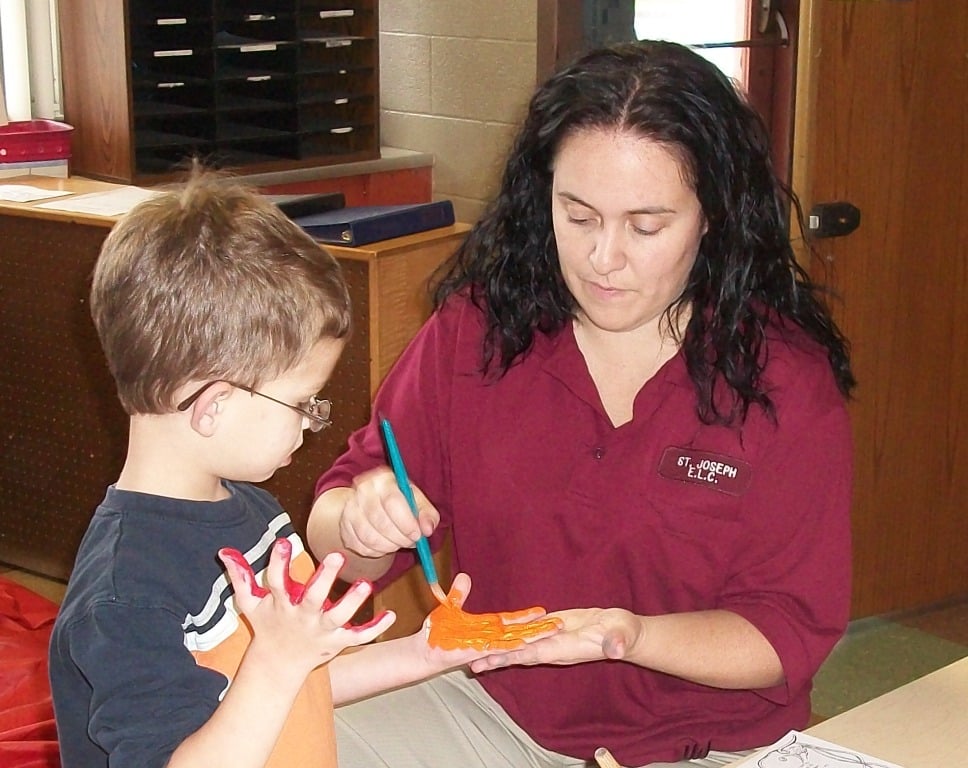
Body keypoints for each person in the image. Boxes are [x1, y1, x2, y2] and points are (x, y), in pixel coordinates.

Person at [307, 39, 856, 768]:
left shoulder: (783, 381)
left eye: (646, 226)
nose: (603, 259)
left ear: (715, 217)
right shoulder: (476, 333)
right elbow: (335, 548)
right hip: (497, 713)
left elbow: (785, 635)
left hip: (707, 746)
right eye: (579, 215)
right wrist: (360, 522)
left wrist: (625, 635)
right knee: (274, 741)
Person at [47, 168, 549, 768]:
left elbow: (304, 689)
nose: (314, 421)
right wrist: (276, 661)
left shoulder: (252, 512)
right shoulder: (127, 596)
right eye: (303, 401)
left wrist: (424, 654)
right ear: (213, 406)